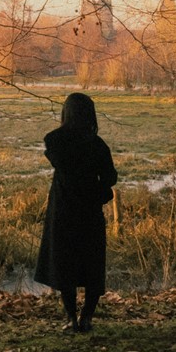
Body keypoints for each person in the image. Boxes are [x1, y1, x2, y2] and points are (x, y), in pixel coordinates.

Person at [33, 92, 119, 333]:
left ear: (66, 113)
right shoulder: (98, 144)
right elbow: (111, 176)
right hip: (90, 212)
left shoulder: (54, 140)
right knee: (92, 264)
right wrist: (101, 191)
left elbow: (63, 166)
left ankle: (71, 318)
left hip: (63, 211)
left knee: (64, 263)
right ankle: (87, 318)